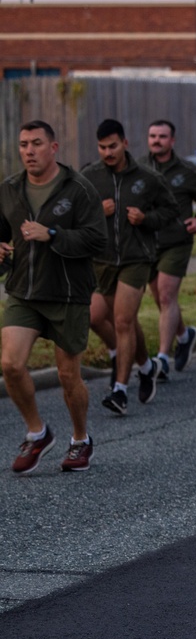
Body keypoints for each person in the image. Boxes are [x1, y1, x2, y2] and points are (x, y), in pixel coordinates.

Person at [2, 120, 107, 473]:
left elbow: (97, 240)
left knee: (67, 376)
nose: (28, 151)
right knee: (10, 365)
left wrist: (52, 234)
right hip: (24, 291)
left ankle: (80, 439)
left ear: (54, 147)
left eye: (36, 143)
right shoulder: (9, 189)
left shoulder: (79, 189)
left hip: (67, 294)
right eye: (23, 144)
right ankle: (37, 432)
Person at [83, 119, 180, 415]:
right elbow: (75, 216)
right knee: (96, 316)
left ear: (125, 143)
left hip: (135, 258)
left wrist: (145, 219)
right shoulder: (89, 177)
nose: (107, 152)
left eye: (112, 146)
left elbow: (171, 210)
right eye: (102, 147)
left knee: (124, 320)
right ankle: (146, 365)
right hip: (101, 261)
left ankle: (120, 391)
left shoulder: (147, 177)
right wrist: (98, 212)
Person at [141, 119, 196, 378]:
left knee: (166, 295)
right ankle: (184, 335)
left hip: (177, 239)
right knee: (161, 298)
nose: (156, 141)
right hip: (147, 241)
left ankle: (162, 358)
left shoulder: (188, 170)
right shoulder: (138, 168)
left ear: (172, 140)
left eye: (162, 136)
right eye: (152, 136)